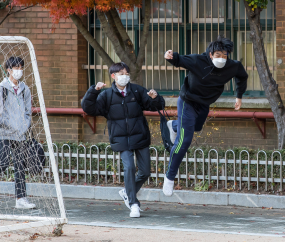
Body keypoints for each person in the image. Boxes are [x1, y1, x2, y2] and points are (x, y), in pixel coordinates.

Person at [163, 36, 248, 196]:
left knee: (195, 127)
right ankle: (169, 177)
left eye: (224, 55)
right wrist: (170, 56)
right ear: (210, 54)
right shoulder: (198, 61)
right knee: (184, 141)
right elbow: (179, 60)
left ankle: (174, 125)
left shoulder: (233, 66)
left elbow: (242, 76)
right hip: (187, 102)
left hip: (204, 104)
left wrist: (239, 96)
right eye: (218, 55)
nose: (221, 59)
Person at [81, 62, 165, 217]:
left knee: (145, 171)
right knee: (129, 168)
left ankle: (127, 192)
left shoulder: (137, 90)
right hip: (120, 138)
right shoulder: (106, 95)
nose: (124, 76)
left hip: (140, 135)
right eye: (121, 73)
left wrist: (155, 98)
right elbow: (89, 108)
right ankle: (133, 203)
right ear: (113, 76)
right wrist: (94, 90)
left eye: (127, 73)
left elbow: (155, 106)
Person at [0, 56, 36, 209]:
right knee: (2, 163)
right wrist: (12, 125)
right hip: (4, 133)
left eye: (21, 68)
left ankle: (21, 198)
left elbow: (28, 112)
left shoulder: (24, 89)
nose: (19, 71)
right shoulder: (2, 88)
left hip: (20, 134)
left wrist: (24, 126)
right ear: (9, 70)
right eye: (16, 68)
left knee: (20, 166)